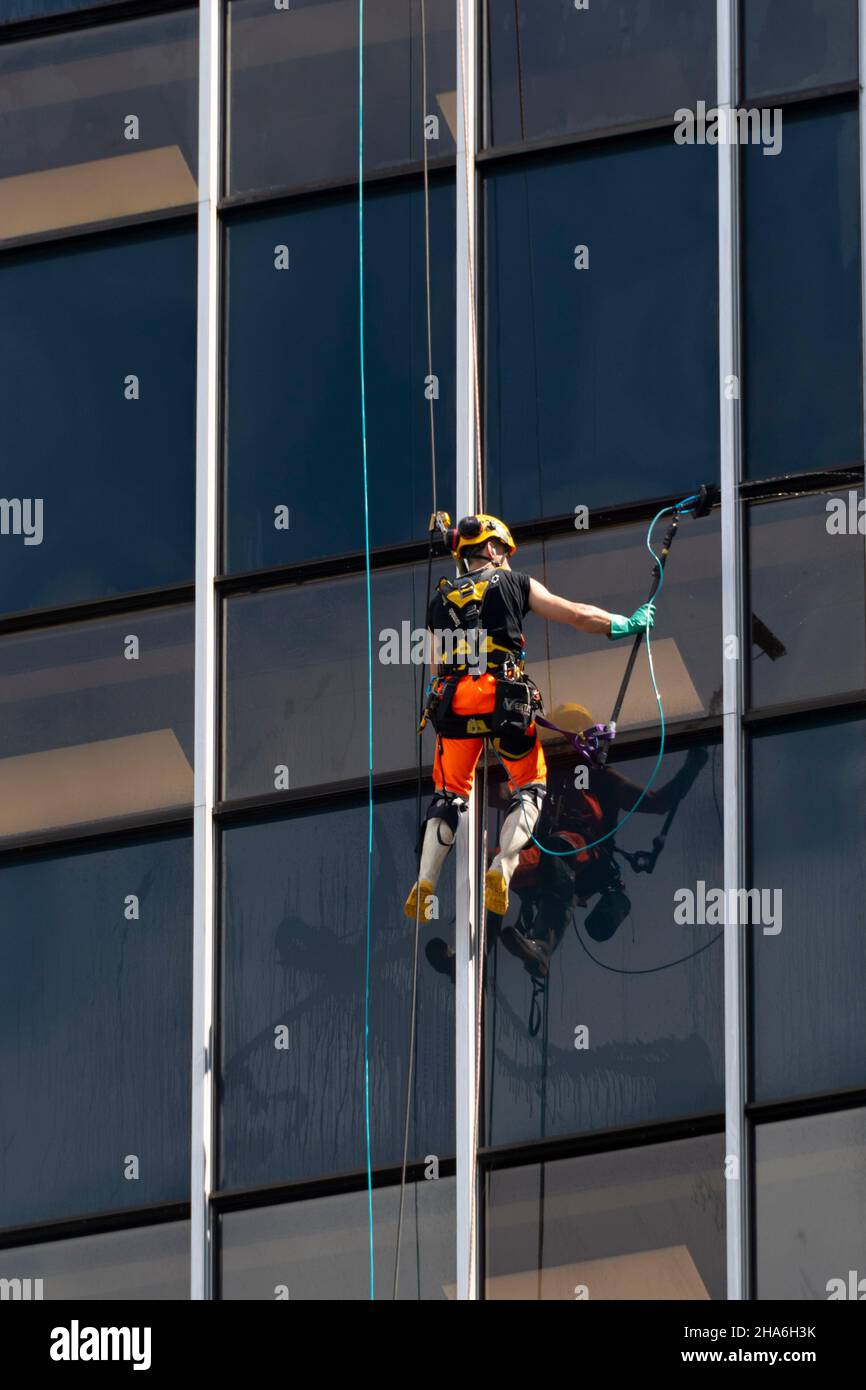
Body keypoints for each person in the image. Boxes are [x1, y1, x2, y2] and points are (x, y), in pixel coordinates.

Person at [403, 513, 655, 924]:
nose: (504, 556)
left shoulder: (439, 599)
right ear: (491, 548)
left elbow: (434, 670)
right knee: (531, 786)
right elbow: (573, 613)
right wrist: (622, 625)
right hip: (503, 697)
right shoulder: (514, 582)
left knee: (448, 796)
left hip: (453, 704)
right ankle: (503, 865)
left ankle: (426, 880)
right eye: (502, 549)